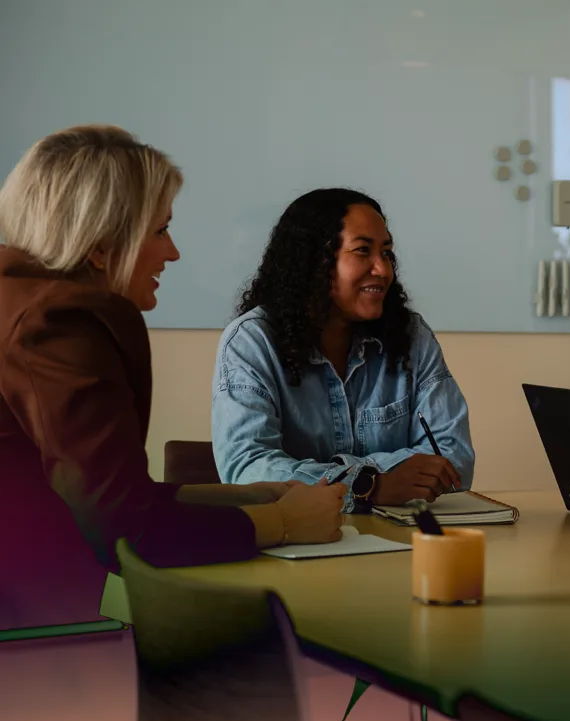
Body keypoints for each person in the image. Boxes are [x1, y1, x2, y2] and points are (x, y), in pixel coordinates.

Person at [0, 126, 345, 631]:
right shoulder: (60, 323)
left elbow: (98, 493)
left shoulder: (20, 299)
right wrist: (287, 524)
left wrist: (254, 495)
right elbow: (126, 530)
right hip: (47, 638)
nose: (173, 253)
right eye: (160, 230)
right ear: (101, 246)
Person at [212, 189, 475, 511]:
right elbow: (247, 469)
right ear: (313, 262)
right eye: (363, 251)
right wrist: (367, 485)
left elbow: (454, 458)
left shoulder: (410, 336)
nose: (384, 269)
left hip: (399, 546)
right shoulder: (252, 340)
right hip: (295, 547)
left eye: (387, 252)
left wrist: (350, 479)